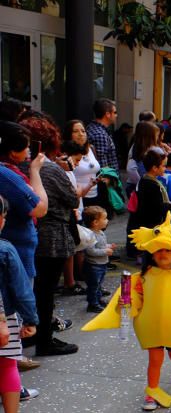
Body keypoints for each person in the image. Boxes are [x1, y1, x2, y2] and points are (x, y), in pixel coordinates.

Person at [83, 219, 171, 410]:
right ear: (151, 255)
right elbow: (134, 298)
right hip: (149, 325)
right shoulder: (142, 278)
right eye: (158, 250)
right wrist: (126, 303)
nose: (162, 254)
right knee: (155, 359)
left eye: (167, 250)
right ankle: (152, 392)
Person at [26, 113, 81, 356]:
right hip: (52, 236)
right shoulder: (48, 169)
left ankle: (33, 333)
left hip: (32, 233)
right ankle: (44, 339)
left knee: (34, 288)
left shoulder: (17, 168)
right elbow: (71, 198)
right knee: (45, 291)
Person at [0, 194, 38, 413]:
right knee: (7, 366)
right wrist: (31, 319)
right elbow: (22, 289)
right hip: (6, 317)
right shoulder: (5, 249)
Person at [0, 121, 47, 281]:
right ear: (13, 151)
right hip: (16, 252)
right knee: (21, 301)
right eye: (26, 146)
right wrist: (35, 171)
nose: (29, 150)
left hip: (13, 248)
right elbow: (40, 209)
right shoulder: (7, 175)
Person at [126, 150, 171, 259]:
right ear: (154, 168)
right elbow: (155, 208)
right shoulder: (152, 186)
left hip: (141, 220)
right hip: (149, 223)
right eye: (163, 166)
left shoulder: (144, 180)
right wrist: (168, 206)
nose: (165, 168)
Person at [81, 206, 113, 313]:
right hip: (93, 266)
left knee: (99, 284)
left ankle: (98, 299)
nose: (107, 221)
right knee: (93, 286)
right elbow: (90, 251)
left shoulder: (100, 232)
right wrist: (105, 251)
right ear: (95, 222)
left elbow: (100, 245)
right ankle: (92, 304)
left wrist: (108, 246)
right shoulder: (90, 235)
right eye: (104, 219)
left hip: (101, 264)